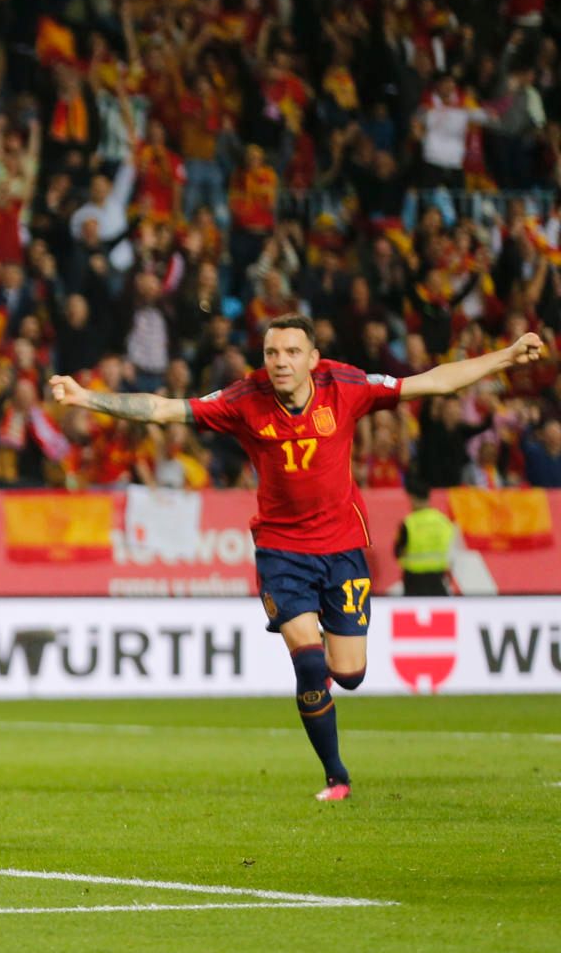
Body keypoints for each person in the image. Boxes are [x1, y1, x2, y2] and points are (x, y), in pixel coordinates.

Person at [48, 316, 544, 801]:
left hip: (343, 549)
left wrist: (506, 356)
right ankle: (336, 776)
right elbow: (161, 409)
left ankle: (331, 667)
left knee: (349, 674)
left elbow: (433, 381)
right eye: (271, 353)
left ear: (312, 358)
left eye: (290, 353)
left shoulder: (345, 385)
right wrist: (85, 397)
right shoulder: (244, 399)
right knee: (309, 665)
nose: (280, 362)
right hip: (282, 552)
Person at [394, 475, 455, 597]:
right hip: (438, 579)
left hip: (414, 581)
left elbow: (398, 552)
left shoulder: (408, 523)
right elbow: (452, 549)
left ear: (413, 498)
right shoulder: (443, 521)